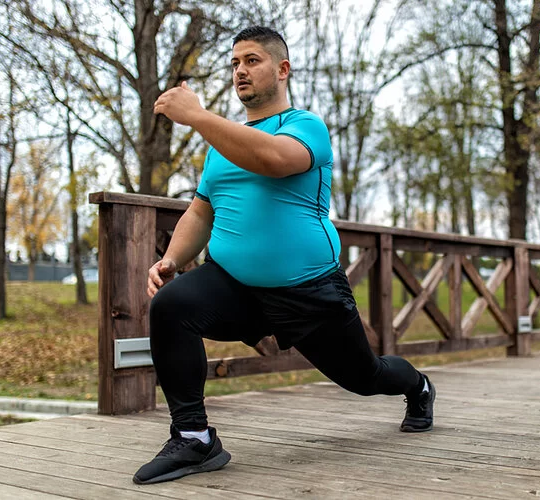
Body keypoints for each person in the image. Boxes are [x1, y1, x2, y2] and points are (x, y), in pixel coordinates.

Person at [133, 26, 435, 486]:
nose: (240, 71)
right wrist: (172, 259)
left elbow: (274, 160)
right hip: (235, 284)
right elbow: (201, 209)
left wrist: (198, 116)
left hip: (308, 289)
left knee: (363, 375)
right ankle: (193, 436)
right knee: (172, 307)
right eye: (234, 63)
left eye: (252, 60)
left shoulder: (304, 126)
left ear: (282, 69)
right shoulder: (221, 144)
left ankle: (418, 386)